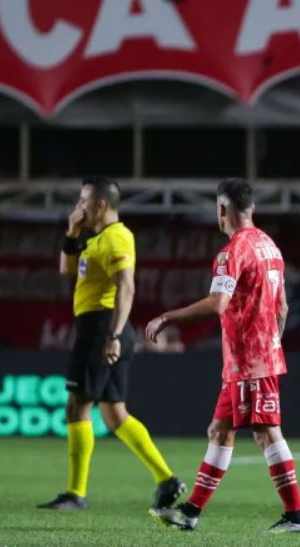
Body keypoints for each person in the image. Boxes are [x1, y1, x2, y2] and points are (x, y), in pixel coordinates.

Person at [147, 178, 300, 534]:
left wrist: (167, 316)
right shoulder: (270, 246)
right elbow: (282, 307)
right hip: (252, 358)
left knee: (267, 433)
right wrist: (271, 344)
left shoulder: (233, 250)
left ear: (222, 209)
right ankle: (190, 513)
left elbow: (218, 303)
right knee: (219, 431)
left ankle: (297, 516)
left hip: (249, 360)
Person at [39, 176, 184, 513]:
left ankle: (75, 493)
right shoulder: (95, 239)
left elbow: (127, 288)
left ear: (101, 204)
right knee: (115, 414)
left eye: (83, 201)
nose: (79, 207)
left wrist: (114, 335)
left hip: (102, 328)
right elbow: (67, 272)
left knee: (77, 407)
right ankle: (165, 478)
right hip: (100, 328)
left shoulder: (118, 238)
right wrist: (72, 232)